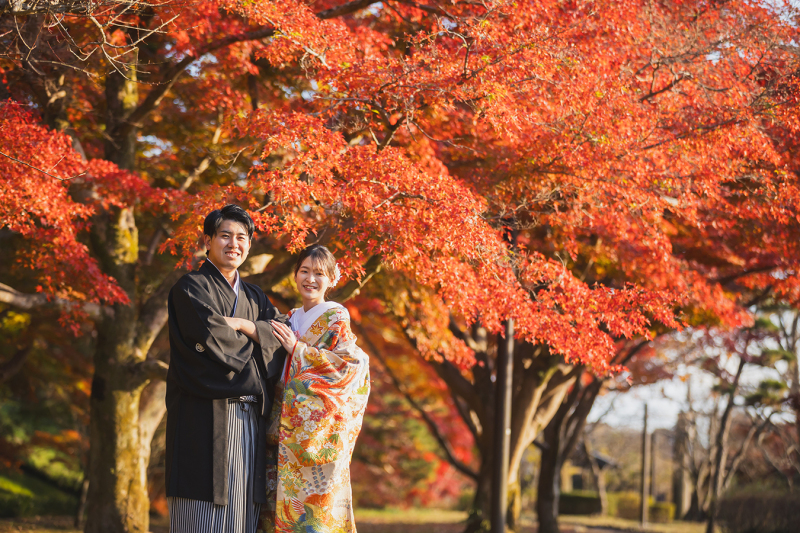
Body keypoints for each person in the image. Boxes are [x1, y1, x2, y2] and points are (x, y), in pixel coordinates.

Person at [165, 204, 288, 533]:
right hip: (204, 421)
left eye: (242, 237)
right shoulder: (190, 288)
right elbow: (213, 343)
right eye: (225, 236)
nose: (234, 243)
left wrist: (246, 326)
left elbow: (283, 338)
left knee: (243, 515)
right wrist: (259, 341)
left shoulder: (255, 297)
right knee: (202, 515)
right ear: (208, 241)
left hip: (251, 423)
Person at [258, 244, 370, 533]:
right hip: (280, 428)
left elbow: (349, 367)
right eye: (304, 271)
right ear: (295, 275)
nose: (310, 279)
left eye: (319, 273)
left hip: (314, 432)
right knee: (275, 510)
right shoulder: (290, 317)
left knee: (312, 512)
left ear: (332, 279)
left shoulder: (336, 318)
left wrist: (299, 350)